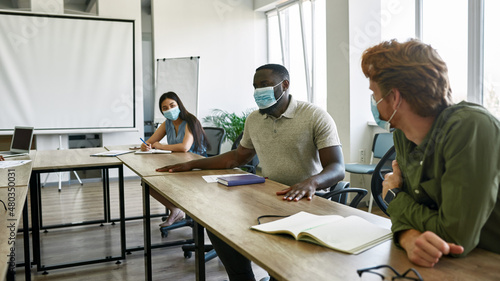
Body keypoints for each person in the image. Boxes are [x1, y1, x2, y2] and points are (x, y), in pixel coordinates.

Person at [157, 64, 345, 281]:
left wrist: (311, 182)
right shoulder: (254, 120)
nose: (258, 91)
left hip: (305, 201)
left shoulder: (314, 115)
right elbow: (237, 157)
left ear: (284, 85)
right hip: (267, 194)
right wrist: (194, 164)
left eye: (264, 85)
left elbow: (337, 168)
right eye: (255, 86)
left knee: (280, 267)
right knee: (217, 223)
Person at [361, 39, 500, 268]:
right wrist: (407, 237)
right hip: (445, 265)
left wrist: (394, 196)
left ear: (395, 97)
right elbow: (404, 217)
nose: (373, 101)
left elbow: (455, 238)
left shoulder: (471, 128)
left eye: (374, 93)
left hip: (487, 263)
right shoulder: (402, 136)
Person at [143, 91, 209, 227]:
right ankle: (175, 210)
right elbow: (149, 142)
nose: (169, 110)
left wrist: (160, 146)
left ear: (179, 105)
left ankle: (181, 211)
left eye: (172, 105)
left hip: (196, 167)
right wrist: (145, 146)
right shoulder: (167, 123)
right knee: (148, 184)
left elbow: (185, 147)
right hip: (178, 164)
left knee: (155, 182)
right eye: (165, 108)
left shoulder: (191, 121)